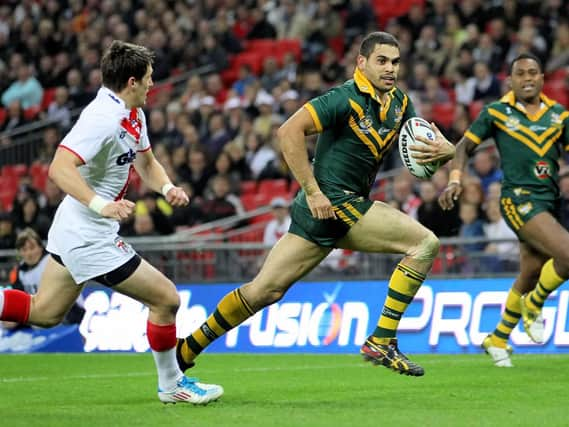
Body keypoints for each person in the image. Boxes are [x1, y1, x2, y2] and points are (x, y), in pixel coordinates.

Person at [176, 32, 455, 377]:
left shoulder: (399, 103)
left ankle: (185, 349)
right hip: (332, 203)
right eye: (382, 61)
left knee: (263, 291)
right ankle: (382, 340)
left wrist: (448, 151)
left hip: (335, 212)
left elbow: (422, 156)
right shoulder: (343, 98)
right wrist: (312, 190)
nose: (390, 69)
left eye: (395, 62)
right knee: (424, 244)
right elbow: (288, 132)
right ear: (361, 63)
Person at [0, 40, 223, 404]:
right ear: (132, 81)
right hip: (88, 234)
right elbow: (59, 167)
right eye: (150, 78)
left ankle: (172, 386)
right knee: (166, 299)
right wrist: (101, 204)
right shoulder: (102, 118)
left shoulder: (133, 114)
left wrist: (167, 187)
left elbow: (146, 163)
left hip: (74, 227)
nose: (154, 84)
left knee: (44, 313)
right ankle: (172, 386)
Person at [439, 53, 569, 368]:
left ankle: (497, 338)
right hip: (517, 199)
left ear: (542, 79)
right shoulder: (496, 113)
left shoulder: (559, 116)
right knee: (567, 255)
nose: (527, 78)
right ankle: (535, 306)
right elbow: (463, 147)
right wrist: (455, 178)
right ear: (510, 81)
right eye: (520, 73)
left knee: (531, 272)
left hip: (547, 202)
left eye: (533, 72)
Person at [3, 228, 85, 331]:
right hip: (40, 314)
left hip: (69, 310)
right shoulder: (20, 272)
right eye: (24, 249)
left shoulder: (53, 262)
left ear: (40, 247)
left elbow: (60, 296)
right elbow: (20, 301)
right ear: (20, 253)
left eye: (32, 248)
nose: (29, 253)